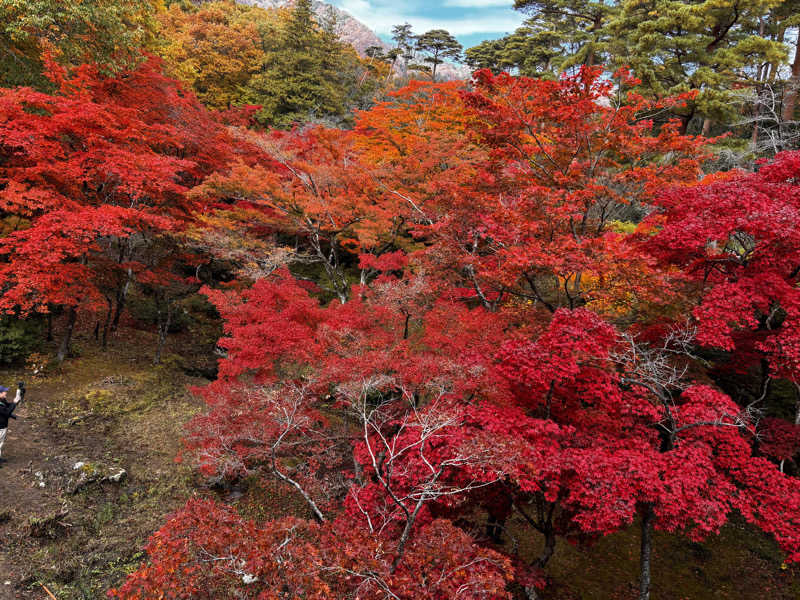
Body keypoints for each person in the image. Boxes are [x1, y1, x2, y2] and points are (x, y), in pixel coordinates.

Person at [0, 385, 21, 464]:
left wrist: (17, 399)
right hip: (0, 428)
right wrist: (14, 403)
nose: (6, 393)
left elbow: (8, 406)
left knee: (1, 443)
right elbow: (7, 412)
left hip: (3, 426)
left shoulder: (2, 400)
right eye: (4, 391)